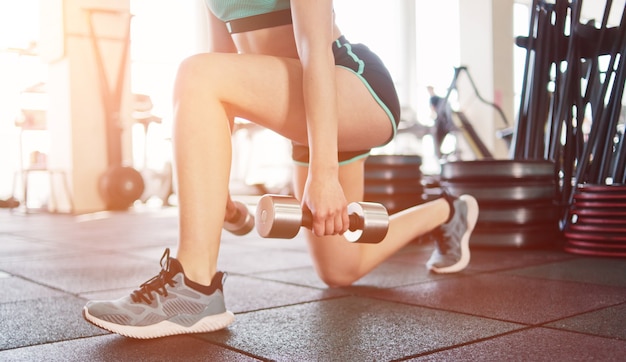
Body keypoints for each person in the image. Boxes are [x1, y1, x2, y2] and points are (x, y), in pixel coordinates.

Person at [83, 0, 479, 339]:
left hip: (349, 86)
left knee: (195, 72)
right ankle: (447, 211)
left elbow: (314, 51)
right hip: (308, 108)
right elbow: (224, 70)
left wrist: (323, 175)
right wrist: (213, 189)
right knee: (341, 269)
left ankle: (194, 286)